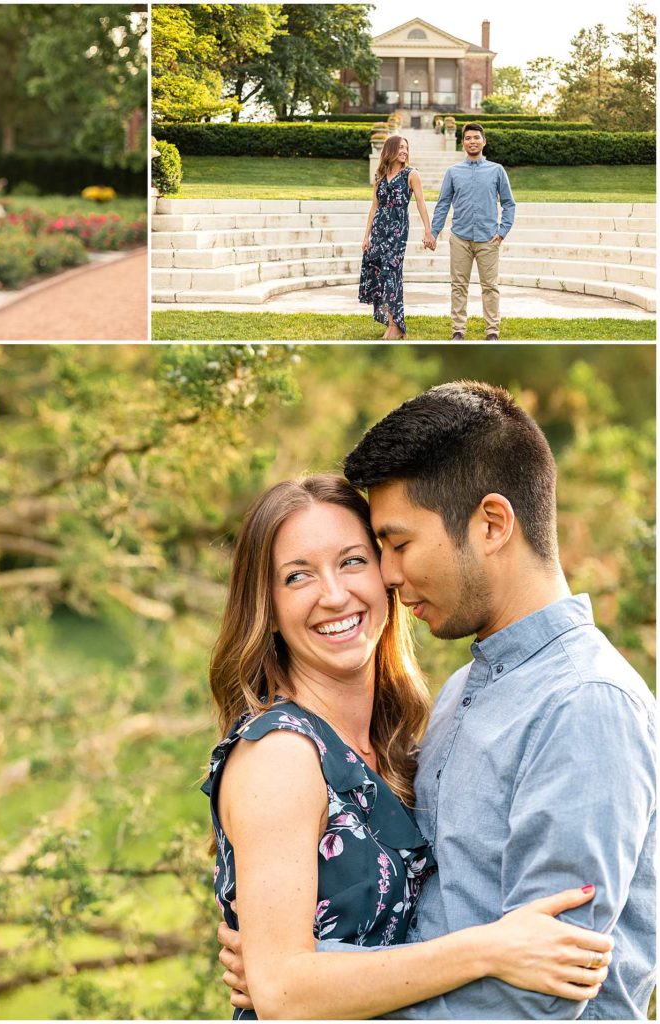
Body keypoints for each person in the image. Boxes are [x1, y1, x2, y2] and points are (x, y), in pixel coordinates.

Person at [218, 383, 656, 1019]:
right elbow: (417, 915)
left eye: (392, 546)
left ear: (491, 524)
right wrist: (287, 971)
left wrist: (302, 984)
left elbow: (537, 999)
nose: (388, 578)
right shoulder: (458, 698)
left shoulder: (582, 704)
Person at [429, 124, 516, 342]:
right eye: (468, 138)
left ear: (484, 141)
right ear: (463, 143)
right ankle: (458, 331)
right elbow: (443, 204)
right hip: (460, 237)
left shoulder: (496, 170)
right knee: (458, 286)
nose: (472, 141)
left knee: (490, 286)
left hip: (488, 238)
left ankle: (492, 331)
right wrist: (433, 232)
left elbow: (508, 203)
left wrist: (503, 230)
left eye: (476, 138)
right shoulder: (453, 172)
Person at [358, 135, 435, 341]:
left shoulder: (411, 174)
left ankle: (396, 326)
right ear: (390, 150)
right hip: (379, 230)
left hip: (398, 230)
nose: (404, 151)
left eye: (406, 148)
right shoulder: (380, 176)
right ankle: (392, 324)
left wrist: (428, 231)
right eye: (401, 147)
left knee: (392, 273)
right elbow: (374, 206)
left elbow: (420, 203)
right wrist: (366, 236)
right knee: (380, 275)